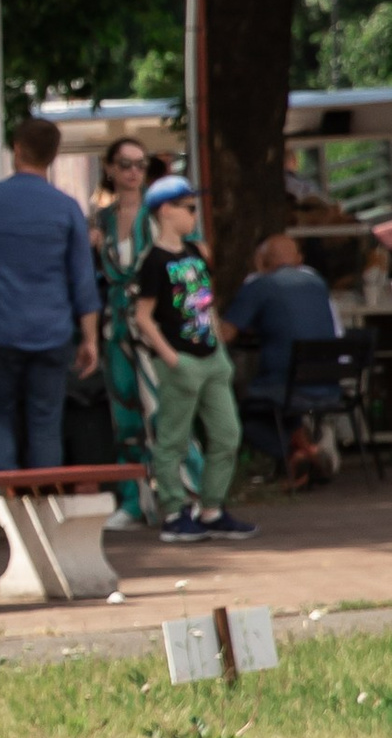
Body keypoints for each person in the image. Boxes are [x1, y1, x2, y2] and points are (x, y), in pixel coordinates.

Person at [0, 117, 102, 472]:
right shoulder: (66, 208)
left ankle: (4, 500)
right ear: (54, 155)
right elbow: (83, 279)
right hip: (52, 332)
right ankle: (43, 505)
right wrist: (89, 338)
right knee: (45, 420)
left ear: (17, 150)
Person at [131, 174, 256, 544]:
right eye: (188, 208)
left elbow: (206, 301)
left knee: (227, 433)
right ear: (166, 211)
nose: (194, 215)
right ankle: (173, 511)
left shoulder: (197, 252)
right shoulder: (153, 261)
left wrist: (219, 347)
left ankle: (212, 508)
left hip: (210, 356)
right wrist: (170, 358)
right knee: (173, 438)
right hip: (180, 360)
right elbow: (143, 315)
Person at [226, 229, 343, 479]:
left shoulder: (260, 284)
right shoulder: (316, 282)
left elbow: (226, 334)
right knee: (282, 408)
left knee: (240, 415)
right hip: (329, 383)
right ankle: (305, 451)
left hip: (285, 385)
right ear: (298, 259)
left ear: (262, 260)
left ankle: (298, 453)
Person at [88, 134, 157, 497]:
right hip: (116, 321)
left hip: (156, 320)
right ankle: (133, 500)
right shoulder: (100, 220)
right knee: (125, 411)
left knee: (162, 411)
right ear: (111, 170)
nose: (134, 172)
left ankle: (178, 498)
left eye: (141, 164)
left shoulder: (160, 213)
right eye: (126, 164)